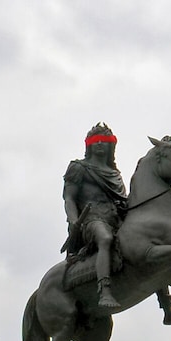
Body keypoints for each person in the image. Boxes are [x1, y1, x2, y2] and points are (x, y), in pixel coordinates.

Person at [62, 123, 127, 309]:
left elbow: (123, 200)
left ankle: (166, 305)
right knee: (105, 238)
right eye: (95, 140)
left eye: (104, 141)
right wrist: (73, 220)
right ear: (88, 145)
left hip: (116, 217)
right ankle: (105, 290)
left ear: (110, 146)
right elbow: (69, 198)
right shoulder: (78, 167)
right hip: (91, 219)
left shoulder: (115, 174)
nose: (99, 144)